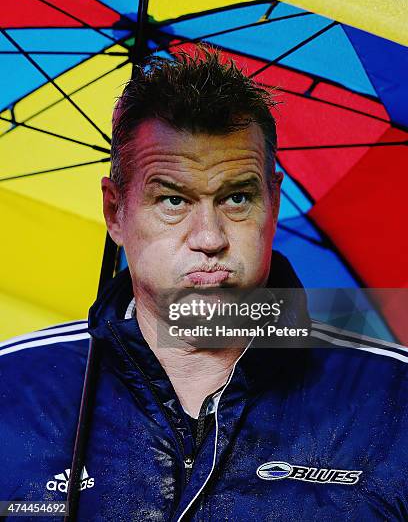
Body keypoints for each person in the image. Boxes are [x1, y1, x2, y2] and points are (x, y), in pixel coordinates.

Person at [0, 47, 407, 521]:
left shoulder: (393, 401)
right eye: (173, 200)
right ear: (116, 211)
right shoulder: (12, 388)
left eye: (237, 197)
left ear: (273, 202)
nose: (209, 239)